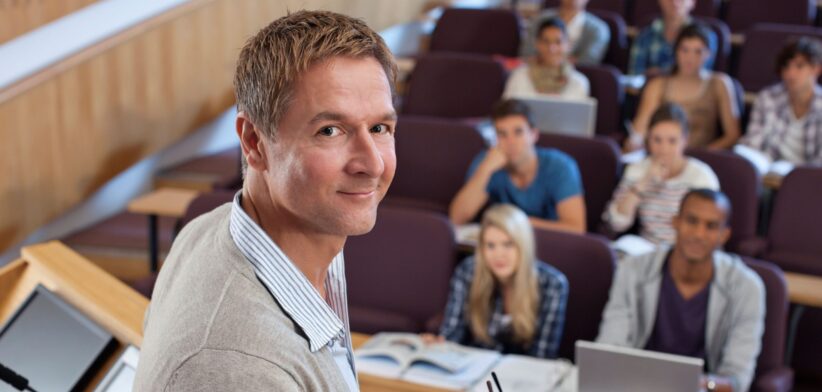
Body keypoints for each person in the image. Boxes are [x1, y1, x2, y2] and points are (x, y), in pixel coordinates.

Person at [134, 11, 398, 391]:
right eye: (330, 131)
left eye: (379, 128)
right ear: (254, 143)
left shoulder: (211, 227)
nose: (371, 163)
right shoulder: (240, 370)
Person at [597, 189, 765, 392]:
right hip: (636, 385)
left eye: (711, 226)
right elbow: (609, 349)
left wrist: (698, 384)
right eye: (691, 221)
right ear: (675, 222)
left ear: (724, 235)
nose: (698, 234)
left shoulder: (747, 288)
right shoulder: (634, 270)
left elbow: (737, 379)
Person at [435, 204, 569, 358]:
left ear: (523, 246)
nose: (499, 255)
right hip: (474, 368)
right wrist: (440, 345)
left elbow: (542, 355)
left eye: (508, 244)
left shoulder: (553, 285)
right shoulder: (468, 271)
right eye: (490, 246)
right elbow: (451, 336)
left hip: (523, 374)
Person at [449, 99, 586, 233]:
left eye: (518, 132)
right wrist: (485, 170)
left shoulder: (560, 166)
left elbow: (576, 228)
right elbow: (457, 218)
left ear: (534, 135)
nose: (510, 142)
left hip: (550, 246)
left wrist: (519, 223)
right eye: (502, 134)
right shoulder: (487, 162)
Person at [604, 103, 719, 245]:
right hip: (647, 249)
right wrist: (644, 182)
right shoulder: (637, 169)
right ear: (648, 139)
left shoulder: (701, 176)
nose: (664, 149)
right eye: (657, 140)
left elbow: (709, 229)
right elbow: (616, 222)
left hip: (686, 249)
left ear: (685, 140)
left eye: (672, 141)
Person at [628, 23, 740, 152]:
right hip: (661, 154)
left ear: (708, 54)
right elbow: (641, 127)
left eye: (698, 51)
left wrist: (703, 157)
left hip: (702, 160)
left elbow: (732, 135)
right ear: (676, 51)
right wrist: (634, 141)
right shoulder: (658, 85)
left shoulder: (720, 84)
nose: (690, 58)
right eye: (684, 50)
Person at [741, 36, 822, 165]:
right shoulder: (767, 97)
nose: (791, 73)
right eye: (786, 67)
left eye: (799, 66)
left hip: (808, 177)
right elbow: (752, 143)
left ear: (816, 68)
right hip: (767, 170)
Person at [504, 18, 590, 100]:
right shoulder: (519, 77)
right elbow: (506, 113)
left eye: (558, 42)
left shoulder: (579, 83)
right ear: (537, 44)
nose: (552, 48)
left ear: (568, 45)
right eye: (546, 41)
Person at [628, 0, 717, 77]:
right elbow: (635, 77)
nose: (674, 2)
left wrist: (659, 74)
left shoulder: (706, 38)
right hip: (650, 94)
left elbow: (702, 77)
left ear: (692, 1)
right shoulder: (644, 35)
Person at [520, 0, 610, 65]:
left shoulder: (599, 29)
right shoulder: (538, 20)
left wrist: (548, 59)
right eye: (546, 41)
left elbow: (587, 63)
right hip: (535, 75)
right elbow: (527, 54)